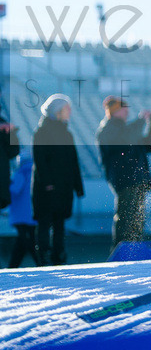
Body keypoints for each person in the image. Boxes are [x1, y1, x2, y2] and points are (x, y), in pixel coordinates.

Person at [96, 96, 151, 248]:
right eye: (123, 108)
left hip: (137, 180)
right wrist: (141, 120)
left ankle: (134, 251)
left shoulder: (127, 129)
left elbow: (150, 146)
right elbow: (125, 139)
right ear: (115, 111)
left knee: (137, 220)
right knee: (126, 219)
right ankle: (121, 252)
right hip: (125, 181)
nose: (127, 111)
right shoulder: (108, 129)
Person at [32, 93, 84, 265]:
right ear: (58, 110)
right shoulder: (41, 132)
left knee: (60, 224)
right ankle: (44, 258)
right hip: (47, 190)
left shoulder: (67, 133)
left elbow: (73, 161)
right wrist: (48, 183)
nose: (70, 111)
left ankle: (58, 257)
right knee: (45, 223)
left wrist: (78, 186)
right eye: (67, 108)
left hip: (63, 188)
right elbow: (40, 161)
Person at [8, 148, 40, 268]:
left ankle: (40, 262)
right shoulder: (35, 171)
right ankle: (13, 266)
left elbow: (15, 190)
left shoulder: (20, 173)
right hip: (32, 213)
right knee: (26, 240)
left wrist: (7, 184)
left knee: (26, 241)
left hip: (20, 215)